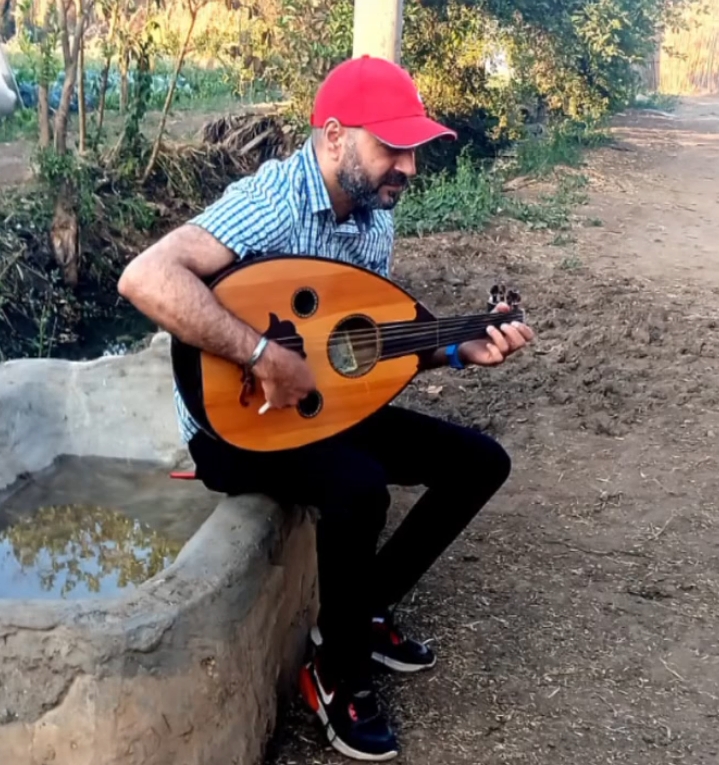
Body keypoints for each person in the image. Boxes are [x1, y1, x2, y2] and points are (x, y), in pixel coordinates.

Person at [118, 55, 534, 762]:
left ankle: (361, 613)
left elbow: (361, 353)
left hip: (322, 410)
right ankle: (336, 673)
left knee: (478, 462)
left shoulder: (373, 219)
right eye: (392, 147)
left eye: (414, 150)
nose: (408, 166)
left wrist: (457, 348)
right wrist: (260, 355)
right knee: (358, 487)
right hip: (232, 429)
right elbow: (146, 276)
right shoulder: (272, 201)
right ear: (336, 135)